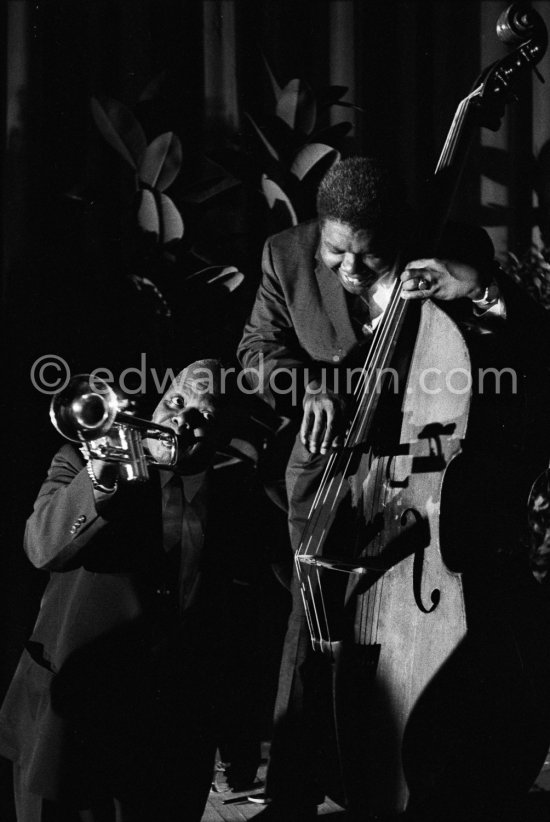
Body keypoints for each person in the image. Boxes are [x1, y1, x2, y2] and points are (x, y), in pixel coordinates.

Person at [238, 157, 550, 821]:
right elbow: (258, 348)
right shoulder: (284, 254)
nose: (349, 271)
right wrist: (306, 385)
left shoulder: (450, 248)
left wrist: (480, 288)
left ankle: (408, 778)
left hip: (424, 475)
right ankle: (293, 793)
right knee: (313, 622)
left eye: (369, 256)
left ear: (397, 232)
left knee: (420, 637)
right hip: (326, 469)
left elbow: (524, 344)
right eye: (335, 251)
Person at [0, 358, 227, 822]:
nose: (181, 419)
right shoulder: (77, 460)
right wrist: (102, 474)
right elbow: (40, 546)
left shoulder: (232, 491)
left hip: (167, 730)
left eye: (202, 416)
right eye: (177, 401)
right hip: (71, 720)